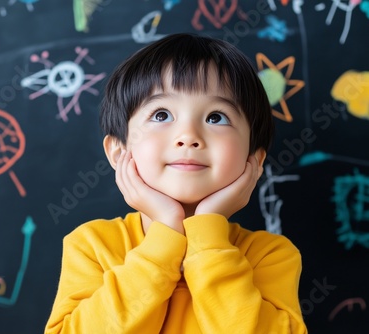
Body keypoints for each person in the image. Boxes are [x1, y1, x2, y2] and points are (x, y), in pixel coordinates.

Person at [45, 33, 307, 333]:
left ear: (254, 161)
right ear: (119, 152)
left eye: (216, 117)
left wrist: (208, 235)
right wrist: (165, 235)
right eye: (161, 114)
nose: (188, 136)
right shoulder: (93, 246)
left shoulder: (269, 255)